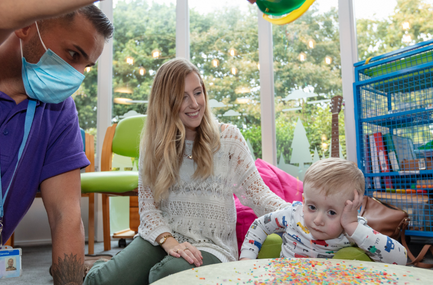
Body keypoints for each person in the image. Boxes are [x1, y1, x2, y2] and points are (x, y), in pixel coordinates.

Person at [0, 0, 256, 284]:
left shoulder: (59, 113)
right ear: (25, 24)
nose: (75, 75)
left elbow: (66, 218)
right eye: (73, 55)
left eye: (86, 66)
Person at [83, 58, 290, 284]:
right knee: (100, 282)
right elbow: (148, 209)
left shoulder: (229, 139)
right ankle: (98, 266)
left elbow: (259, 195)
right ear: (166, 103)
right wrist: (168, 240)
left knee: (164, 276)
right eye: (183, 97)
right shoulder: (153, 146)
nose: (194, 103)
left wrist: (301, 215)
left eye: (198, 92)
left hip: (212, 246)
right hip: (163, 238)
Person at [240, 158, 408, 265]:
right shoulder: (292, 214)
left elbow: (400, 259)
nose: (318, 220)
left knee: (352, 254)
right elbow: (260, 225)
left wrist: (353, 227)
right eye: (312, 207)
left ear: (351, 210)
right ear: (304, 201)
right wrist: (246, 259)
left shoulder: (353, 229)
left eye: (332, 213)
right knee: (271, 240)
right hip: (285, 278)